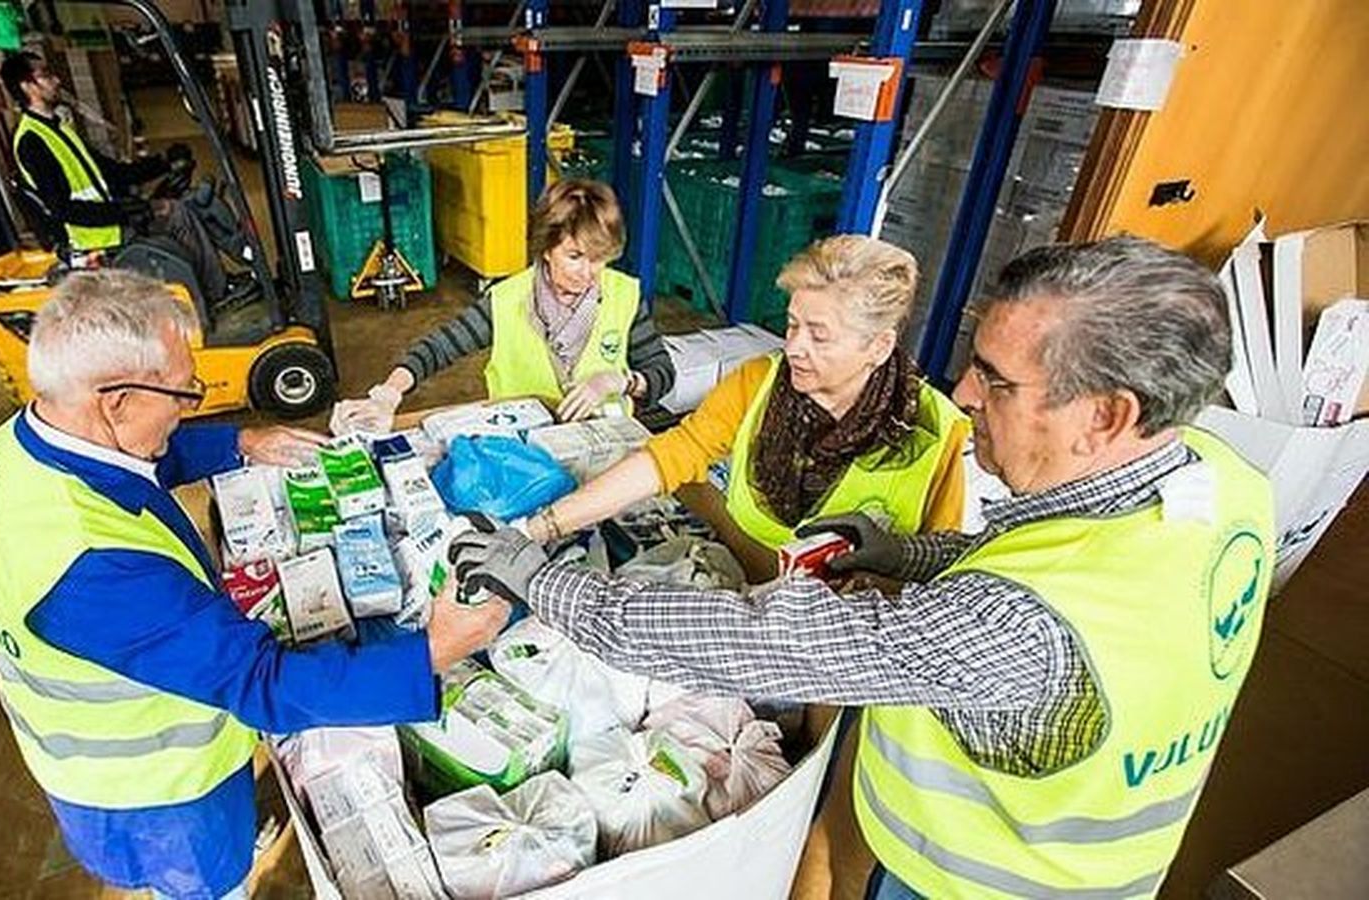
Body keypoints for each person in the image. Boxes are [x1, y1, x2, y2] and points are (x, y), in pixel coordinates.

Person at [448, 236, 1276, 899]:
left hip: (972, 876)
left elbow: (761, 635)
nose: (969, 392)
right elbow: (1034, 565)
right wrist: (907, 554)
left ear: (1106, 415)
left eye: (997, 379)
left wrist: (545, 579)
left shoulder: (1011, 603)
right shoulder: (1224, 481)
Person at [0, 269, 510, 899]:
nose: (189, 403)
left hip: (135, 744)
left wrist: (238, 441)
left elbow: (129, 461)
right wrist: (433, 653)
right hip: (157, 797)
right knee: (213, 886)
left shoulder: (24, 441)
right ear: (115, 399)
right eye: (180, 393)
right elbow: (261, 683)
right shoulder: (92, 569)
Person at [525, 234, 969, 551]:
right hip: (752, 584)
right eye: (792, 325)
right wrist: (544, 527)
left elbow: (938, 554)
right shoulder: (758, 383)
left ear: (878, 345)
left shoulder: (934, 428)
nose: (794, 347)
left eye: (819, 335)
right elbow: (668, 458)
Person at [336, 179, 675, 428]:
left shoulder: (624, 295)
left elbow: (662, 373)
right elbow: (437, 348)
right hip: (525, 450)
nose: (589, 272)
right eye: (575, 256)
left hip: (604, 444)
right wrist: (388, 393)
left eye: (600, 258)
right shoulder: (507, 300)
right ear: (546, 248)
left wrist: (619, 381)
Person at [0, 52, 226, 300]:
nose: (56, 81)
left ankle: (211, 288)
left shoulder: (59, 128)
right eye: (46, 76)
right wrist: (126, 211)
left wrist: (164, 162)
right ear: (27, 86)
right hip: (95, 238)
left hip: (108, 222)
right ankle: (216, 293)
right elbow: (62, 208)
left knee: (184, 206)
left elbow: (112, 173)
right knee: (177, 214)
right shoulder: (31, 141)